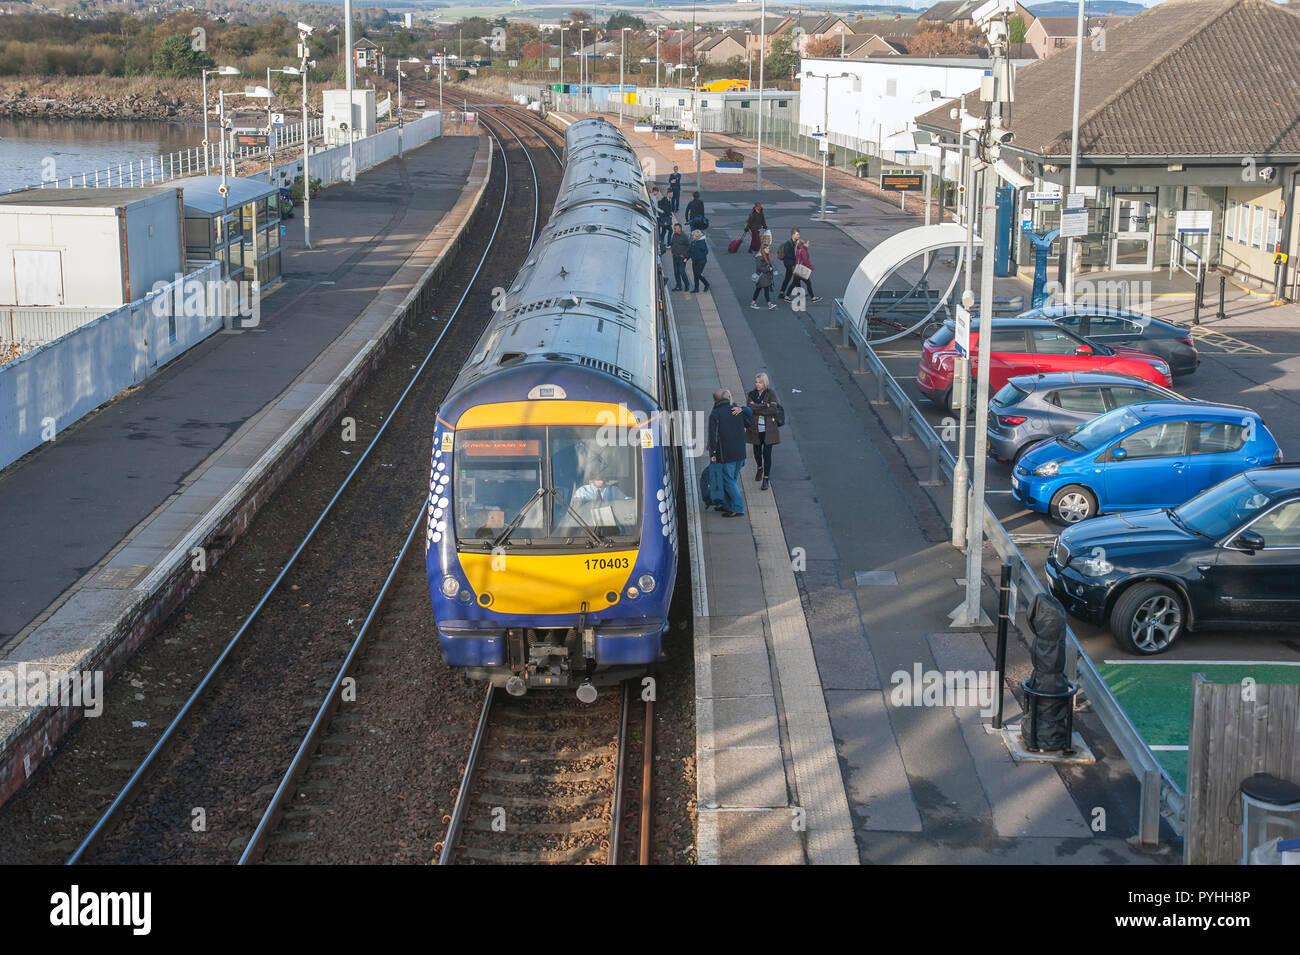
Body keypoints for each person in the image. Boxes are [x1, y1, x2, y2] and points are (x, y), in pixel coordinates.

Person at [707, 389, 751, 517]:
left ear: (716, 400)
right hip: (741, 453)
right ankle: (727, 505)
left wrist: (713, 454)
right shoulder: (736, 409)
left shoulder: (715, 414)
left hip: (727, 454)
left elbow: (712, 436)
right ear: (727, 398)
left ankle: (738, 508)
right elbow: (749, 423)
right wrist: (744, 409)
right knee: (732, 480)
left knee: (729, 481)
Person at [746, 372, 781, 490]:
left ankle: (766, 478)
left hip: (768, 430)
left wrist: (758, 407)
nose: (757, 384)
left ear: (765, 382)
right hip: (755, 429)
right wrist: (764, 405)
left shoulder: (771, 393)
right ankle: (759, 468)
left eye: (760, 382)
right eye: (756, 382)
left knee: (767, 454)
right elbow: (750, 408)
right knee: (756, 452)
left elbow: (773, 409)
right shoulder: (751, 394)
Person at [750, 231, 777, 309]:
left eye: (768, 248)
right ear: (763, 249)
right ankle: (769, 304)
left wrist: (771, 270)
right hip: (762, 276)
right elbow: (759, 267)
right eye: (767, 248)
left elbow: (767, 265)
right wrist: (769, 268)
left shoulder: (765, 255)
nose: (768, 250)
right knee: (765, 290)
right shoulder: (759, 257)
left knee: (758, 290)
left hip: (764, 276)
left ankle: (753, 303)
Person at [791, 237, 822, 304]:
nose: (809, 244)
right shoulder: (803, 250)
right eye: (808, 243)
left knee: (796, 282)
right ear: (804, 244)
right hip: (801, 269)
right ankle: (813, 298)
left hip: (798, 268)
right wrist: (810, 267)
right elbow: (805, 260)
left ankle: (799, 294)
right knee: (808, 283)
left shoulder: (798, 249)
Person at [778, 228, 801, 300]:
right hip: (790, 264)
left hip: (791, 263)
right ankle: (795, 293)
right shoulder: (788, 243)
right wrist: (795, 257)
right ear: (793, 234)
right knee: (796, 278)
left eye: (799, 235)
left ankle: (782, 293)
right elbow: (787, 254)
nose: (798, 236)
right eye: (797, 234)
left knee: (788, 278)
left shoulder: (796, 242)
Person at [669, 222, 691, 291]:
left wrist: (685, 256)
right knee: (676, 272)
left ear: (680, 229)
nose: (674, 230)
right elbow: (672, 243)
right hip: (675, 257)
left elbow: (689, 247)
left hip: (681, 258)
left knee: (681, 271)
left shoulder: (685, 236)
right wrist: (672, 251)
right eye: (674, 229)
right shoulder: (674, 235)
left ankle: (687, 285)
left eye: (675, 229)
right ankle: (678, 286)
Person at [652, 187, 673, 253]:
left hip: (664, 219)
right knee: (670, 230)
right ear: (668, 194)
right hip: (664, 219)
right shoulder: (664, 200)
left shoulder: (668, 200)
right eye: (672, 194)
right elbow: (664, 209)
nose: (672, 195)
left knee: (663, 231)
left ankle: (662, 243)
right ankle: (667, 244)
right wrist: (669, 213)